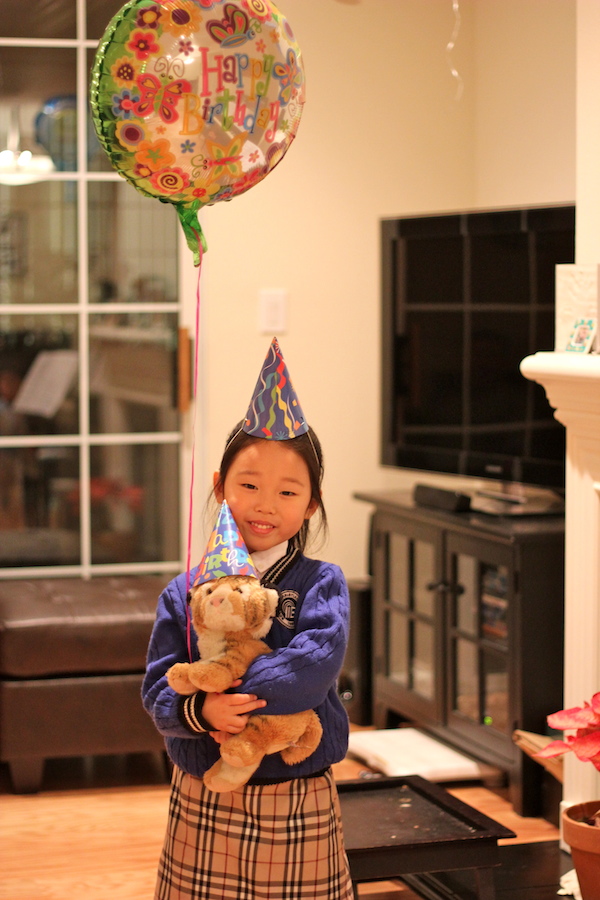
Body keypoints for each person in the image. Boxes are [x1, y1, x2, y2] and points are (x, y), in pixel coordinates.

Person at [142, 338, 354, 899]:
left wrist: (229, 691)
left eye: (287, 491)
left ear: (311, 503)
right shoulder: (184, 592)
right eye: (249, 486)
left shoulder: (321, 582)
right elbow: (158, 689)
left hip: (295, 790)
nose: (265, 504)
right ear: (220, 486)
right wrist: (200, 706)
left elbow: (313, 669)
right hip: (202, 789)